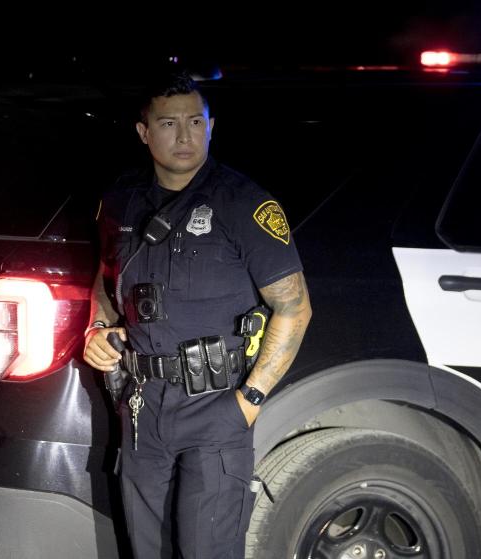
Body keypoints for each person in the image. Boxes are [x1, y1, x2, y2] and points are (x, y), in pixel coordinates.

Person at [82, 70, 312, 558]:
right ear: (144, 132)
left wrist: (250, 399)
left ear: (211, 126)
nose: (185, 136)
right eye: (169, 124)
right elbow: (104, 279)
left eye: (195, 122)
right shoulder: (120, 202)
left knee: (206, 549)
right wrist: (97, 327)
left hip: (216, 406)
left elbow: (293, 306)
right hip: (142, 407)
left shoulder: (244, 204)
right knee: (147, 549)